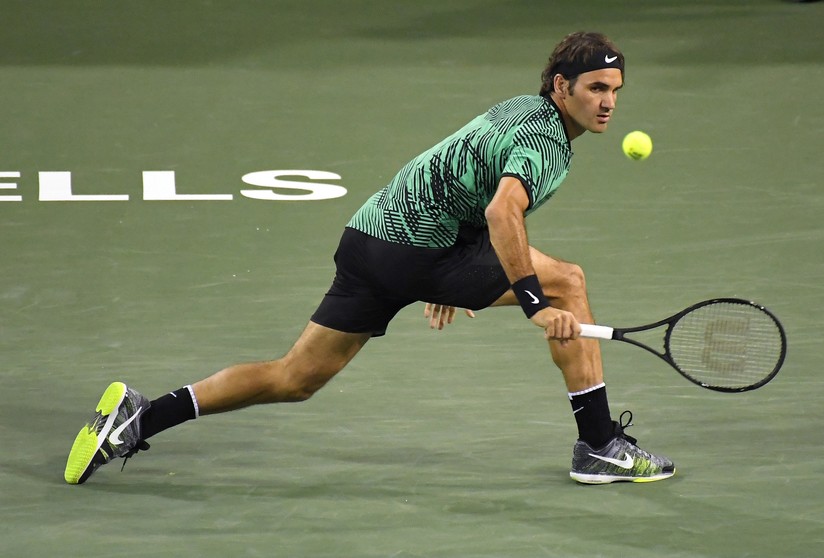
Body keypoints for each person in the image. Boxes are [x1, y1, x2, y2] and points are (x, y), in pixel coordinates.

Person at [64, 31, 674, 486]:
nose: (608, 103)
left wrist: (453, 268)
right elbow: (501, 214)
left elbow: (454, 179)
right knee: (566, 283)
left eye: (615, 91)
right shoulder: (545, 142)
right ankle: (597, 445)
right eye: (596, 88)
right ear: (561, 86)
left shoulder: (518, 109)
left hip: (370, 237)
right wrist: (534, 303)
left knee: (295, 377)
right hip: (418, 254)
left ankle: (138, 418)